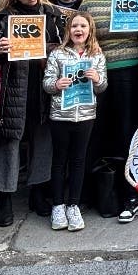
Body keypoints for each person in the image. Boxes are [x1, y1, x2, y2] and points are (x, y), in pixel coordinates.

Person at [0, 0, 64, 225]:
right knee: (10, 140)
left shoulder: (52, 14)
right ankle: (5, 197)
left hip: (43, 84)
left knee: (43, 138)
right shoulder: (3, 18)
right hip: (14, 85)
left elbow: (64, 49)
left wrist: (46, 50)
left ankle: (37, 192)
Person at [80, 0, 138, 223]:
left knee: (127, 129)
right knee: (97, 128)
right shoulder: (90, 1)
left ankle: (130, 190)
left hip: (130, 70)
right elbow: (82, 33)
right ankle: (96, 189)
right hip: (99, 71)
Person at [42, 13, 107, 231]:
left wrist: (97, 79)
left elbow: (102, 86)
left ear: (90, 30)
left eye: (83, 26)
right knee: (59, 161)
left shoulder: (97, 55)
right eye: (74, 26)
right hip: (61, 115)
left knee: (79, 160)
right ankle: (58, 205)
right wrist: (56, 84)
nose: (79, 30)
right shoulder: (58, 54)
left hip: (86, 115)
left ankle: (73, 205)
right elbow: (47, 82)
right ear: (68, 30)